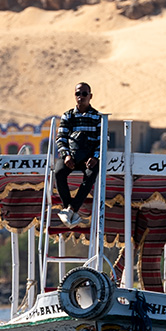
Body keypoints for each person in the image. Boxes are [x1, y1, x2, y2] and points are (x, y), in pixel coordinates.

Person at [54, 82, 101, 225]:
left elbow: (103, 140)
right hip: (71, 156)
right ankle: (70, 209)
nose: (81, 97)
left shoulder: (97, 117)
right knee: (59, 172)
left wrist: (95, 157)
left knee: (91, 174)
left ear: (90, 96)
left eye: (84, 94)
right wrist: (66, 155)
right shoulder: (68, 116)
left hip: (89, 157)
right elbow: (60, 138)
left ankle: (70, 210)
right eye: (77, 94)